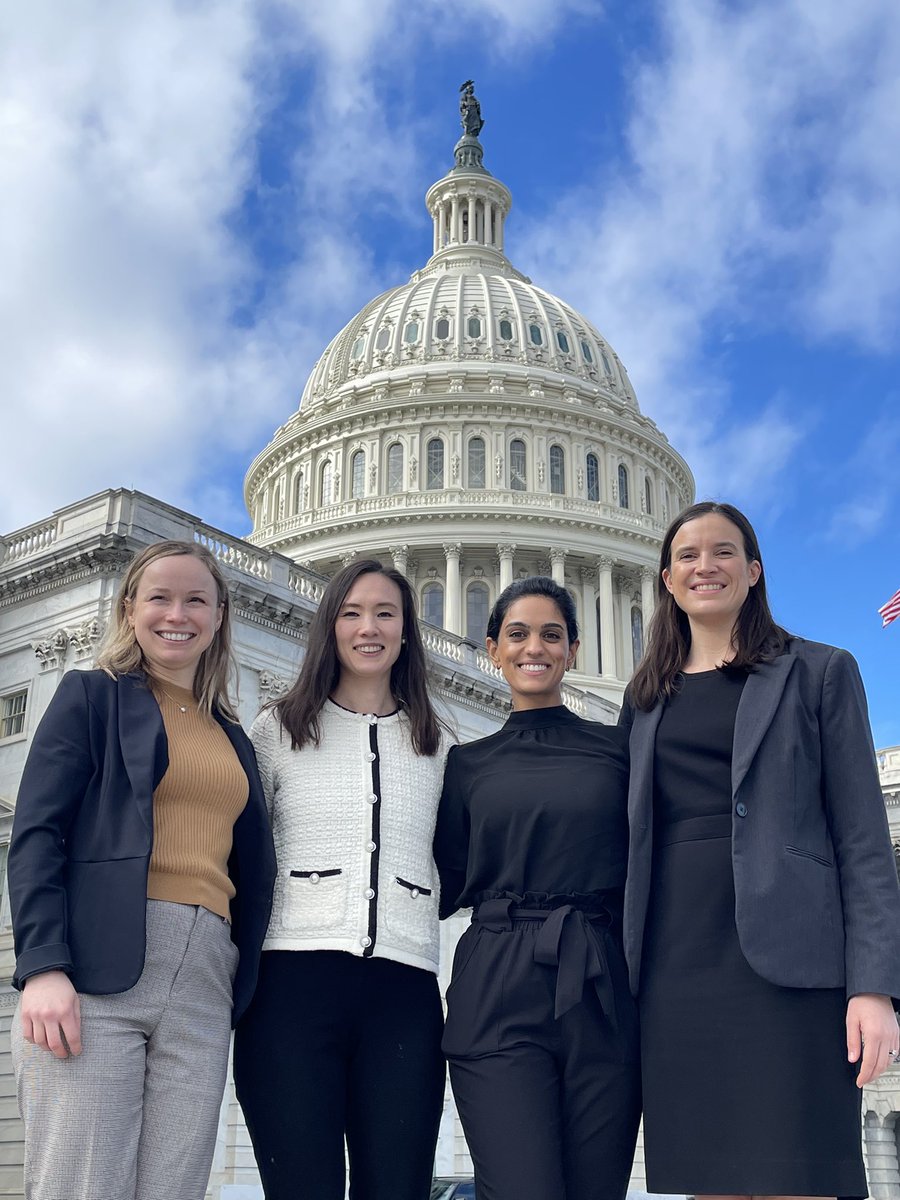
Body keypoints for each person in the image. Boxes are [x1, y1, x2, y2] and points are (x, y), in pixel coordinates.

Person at [620, 500, 900, 1200]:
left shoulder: (821, 671)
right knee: (709, 1182)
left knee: (794, 1177)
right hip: (676, 963)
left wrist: (873, 987)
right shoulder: (645, 697)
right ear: (666, 578)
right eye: (687, 555)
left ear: (753, 570)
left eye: (721, 552)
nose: (704, 566)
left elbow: (864, 839)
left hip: (790, 966)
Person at [8, 539, 276, 1200]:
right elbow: (39, 832)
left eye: (196, 600)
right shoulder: (91, 697)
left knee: (175, 1186)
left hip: (208, 973)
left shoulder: (232, 733)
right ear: (131, 609)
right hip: (103, 963)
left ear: (218, 617)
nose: (175, 614)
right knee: (83, 1183)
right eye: (159, 597)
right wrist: (43, 965)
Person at [233, 559, 450, 1200]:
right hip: (291, 992)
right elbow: (242, 859)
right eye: (351, 613)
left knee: (398, 1189)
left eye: (385, 613)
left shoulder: (440, 745)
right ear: (329, 627)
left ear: (407, 630)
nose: (368, 628)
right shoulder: (275, 731)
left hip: (405, 995)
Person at [434, 577, 641, 1200]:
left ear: (573, 650)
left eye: (552, 635)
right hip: (498, 976)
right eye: (517, 634)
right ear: (492, 647)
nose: (535, 648)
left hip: (600, 977)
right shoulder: (466, 764)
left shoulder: (620, 749)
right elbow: (441, 878)